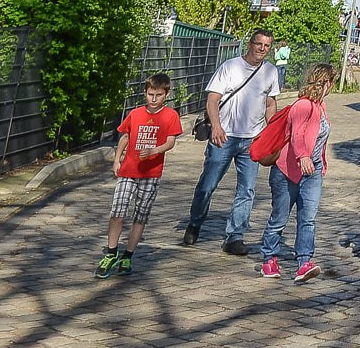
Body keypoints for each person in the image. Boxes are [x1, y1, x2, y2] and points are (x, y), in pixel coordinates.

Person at [180, 29, 281, 254]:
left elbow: (270, 103)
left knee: (247, 190)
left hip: (252, 139)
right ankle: (195, 222)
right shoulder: (230, 67)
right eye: (259, 44)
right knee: (208, 185)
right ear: (250, 44)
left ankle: (235, 236)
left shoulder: (271, 71)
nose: (262, 49)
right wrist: (216, 126)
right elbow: (213, 99)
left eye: (267, 46)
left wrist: (271, 131)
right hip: (224, 137)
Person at [99, 73, 182, 277]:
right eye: (150, 94)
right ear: (145, 93)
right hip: (129, 170)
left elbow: (170, 142)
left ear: (166, 95)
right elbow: (125, 136)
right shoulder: (135, 114)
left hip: (151, 173)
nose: (154, 99)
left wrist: (155, 150)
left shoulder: (171, 115)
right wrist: (117, 159)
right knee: (118, 211)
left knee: (141, 214)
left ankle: (128, 255)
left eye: (158, 95)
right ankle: (111, 252)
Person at [257, 62, 333, 283]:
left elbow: (319, 139)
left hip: (312, 171)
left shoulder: (321, 106)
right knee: (279, 218)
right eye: (331, 82)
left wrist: (320, 162)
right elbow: (297, 135)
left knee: (308, 218)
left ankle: (304, 262)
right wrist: (303, 156)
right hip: (288, 170)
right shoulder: (303, 105)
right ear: (326, 83)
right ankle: (269, 258)